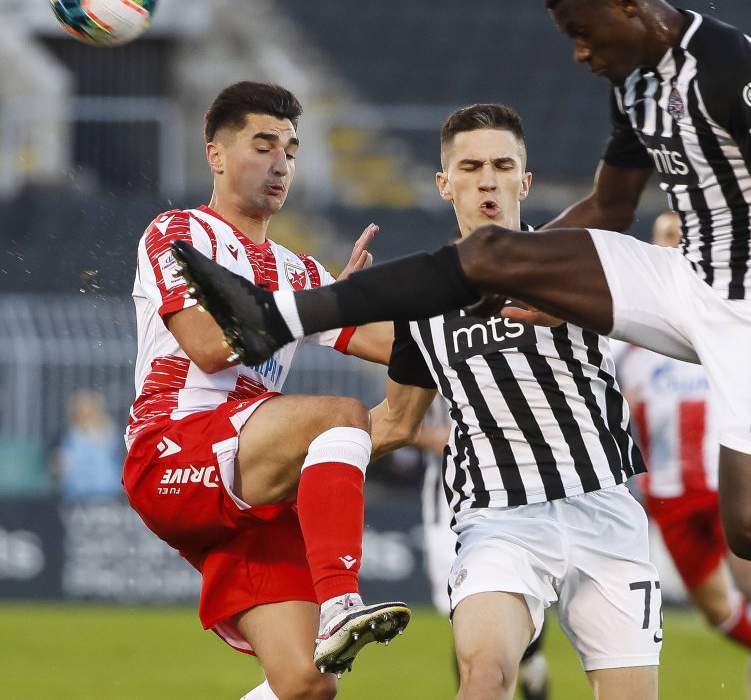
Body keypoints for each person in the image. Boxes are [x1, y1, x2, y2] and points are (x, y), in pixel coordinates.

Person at [170, 0, 751, 575]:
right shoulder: (634, 83)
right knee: (495, 250)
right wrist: (519, 279)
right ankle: (270, 317)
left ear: (626, 4)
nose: (579, 51)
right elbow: (610, 208)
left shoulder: (730, 69)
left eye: (583, 32)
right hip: (682, 280)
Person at [125, 81, 410, 700]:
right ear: (216, 154)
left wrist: (444, 311)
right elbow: (205, 346)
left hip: (249, 478)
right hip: (173, 449)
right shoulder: (180, 232)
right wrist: (316, 307)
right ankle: (340, 602)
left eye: (290, 148)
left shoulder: (297, 269)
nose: (280, 163)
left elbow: (395, 345)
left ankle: (329, 625)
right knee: (340, 413)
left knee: (308, 684)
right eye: (263, 145)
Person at [366, 103, 659, 700]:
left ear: (525, 181)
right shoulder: (419, 301)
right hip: (499, 521)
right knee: (485, 678)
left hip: (603, 508)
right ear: (444, 184)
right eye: (470, 166)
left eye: (503, 165)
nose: (488, 179)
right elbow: (395, 422)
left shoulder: (576, 261)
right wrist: (296, 457)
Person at [614, 211, 751, 700]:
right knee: (718, 613)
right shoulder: (628, 342)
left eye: (682, 237)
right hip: (668, 496)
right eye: (665, 239)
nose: (674, 246)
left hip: (727, 485)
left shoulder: (727, 319)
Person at [417, 396, 551, 700]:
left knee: (529, 584)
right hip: (449, 504)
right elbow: (400, 421)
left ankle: (529, 656)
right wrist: (435, 438)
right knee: (462, 612)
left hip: (514, 492)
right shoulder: (425, 355)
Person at [55, 389, 123, 500]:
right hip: (78, 493)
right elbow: (64, 466)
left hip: (106, 492)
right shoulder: (71, 436)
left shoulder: (111, 432)